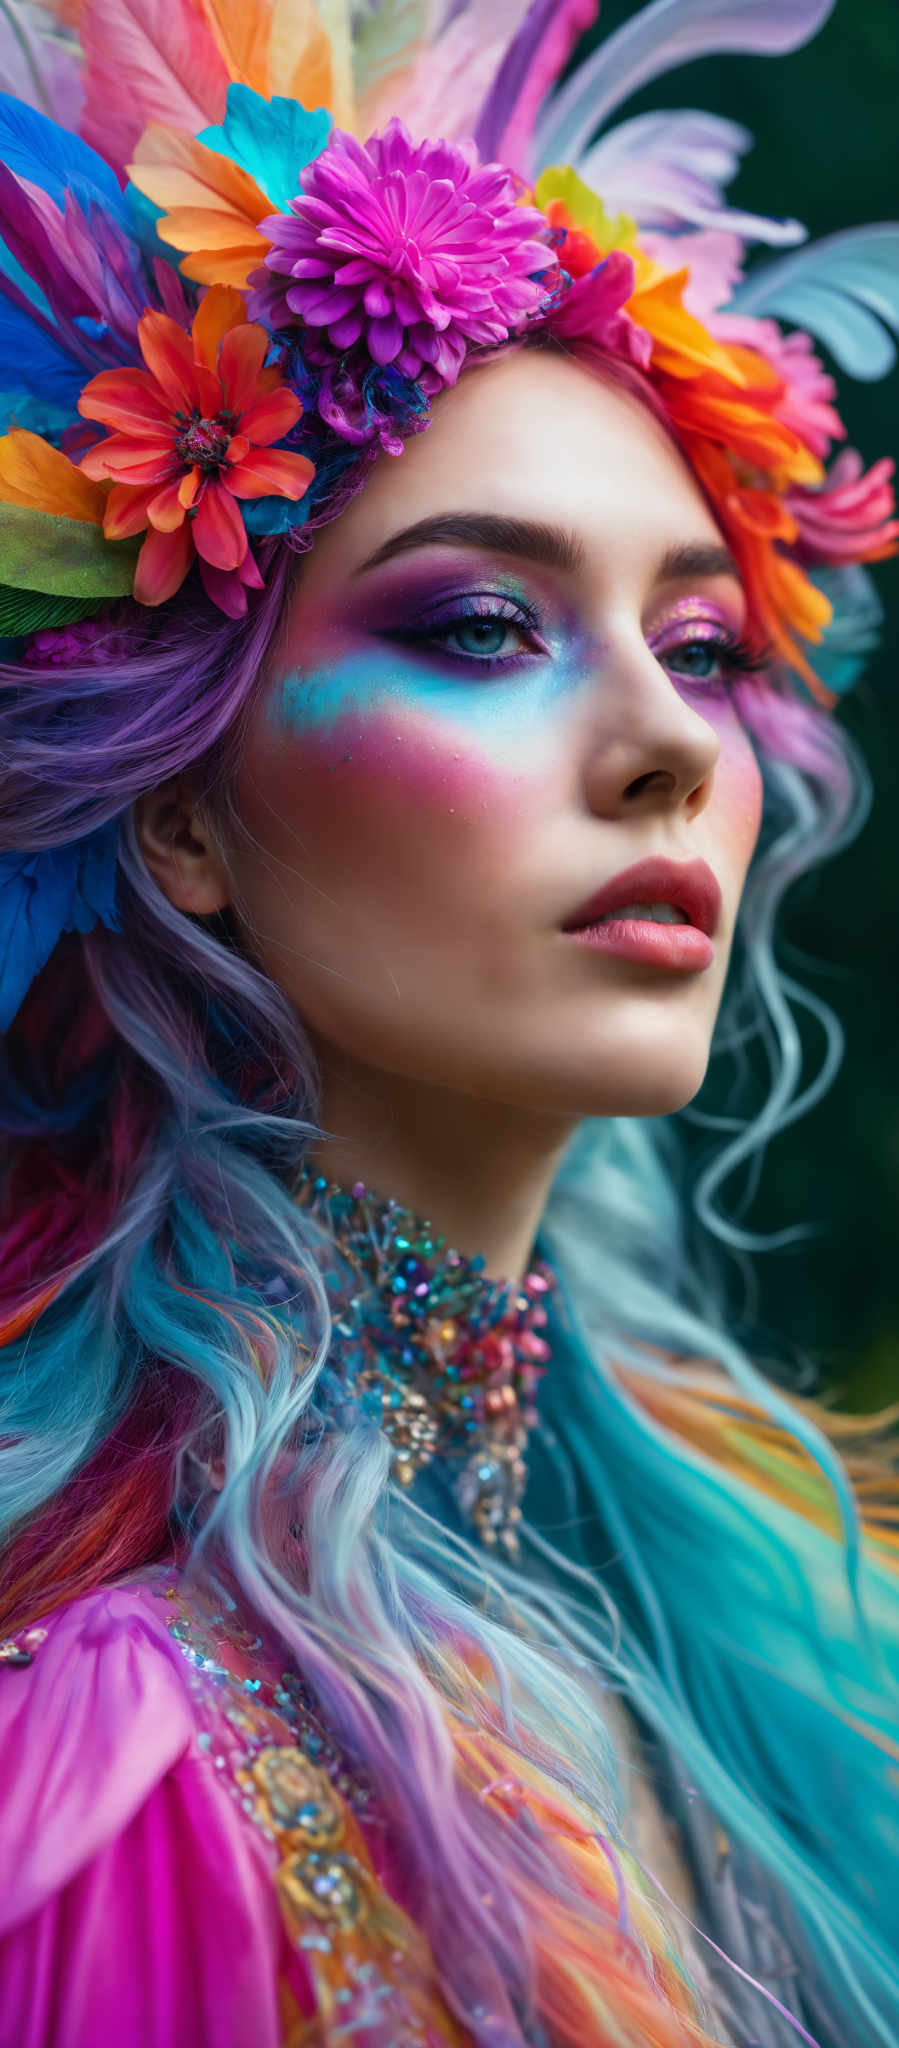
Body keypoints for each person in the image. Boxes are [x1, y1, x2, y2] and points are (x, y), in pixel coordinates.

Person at [0, 1, 897, 2043]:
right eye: (485, 624)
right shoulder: (129, 1770)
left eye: (699, 639)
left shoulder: (771, 1668)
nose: (673, 739)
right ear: (185, 807)